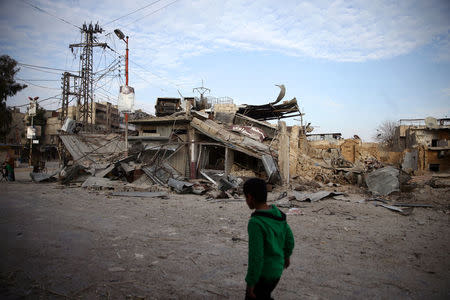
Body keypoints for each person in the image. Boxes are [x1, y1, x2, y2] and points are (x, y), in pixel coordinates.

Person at [243, 178, 295, 299]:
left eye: (245, 197)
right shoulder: (278, 215)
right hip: (277, 271)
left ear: (250, 197)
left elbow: (256, 256)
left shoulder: (256, 223)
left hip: (263, 275)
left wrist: (251, 282)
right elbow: (289, 239)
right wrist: (286, 256)